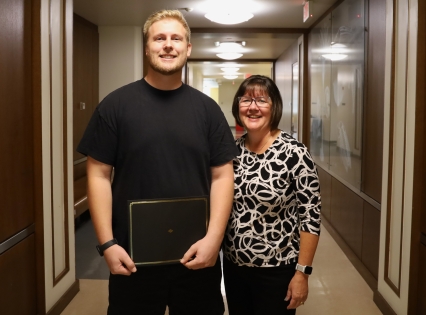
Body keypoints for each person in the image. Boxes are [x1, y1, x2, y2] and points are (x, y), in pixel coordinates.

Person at [77, 9, 238, 315]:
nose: (168, 44)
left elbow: (222, 176)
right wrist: (108, 244)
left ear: (187, 48)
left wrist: (214, 241)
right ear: (147, 46)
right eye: (159, 38)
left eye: (176, 38)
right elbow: (98, 175)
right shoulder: (115, 106)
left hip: (197, 257)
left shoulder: (208, 111)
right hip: (132, 258)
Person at [222, 75, 321, 315]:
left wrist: (302, 272)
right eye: (246, 100)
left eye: (261, 100)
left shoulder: (295, 153)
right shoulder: (231, 151)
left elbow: (310, 216)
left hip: (277, 270)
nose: (253, 107)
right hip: (234, 268)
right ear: (237, 107)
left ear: (274, 107)